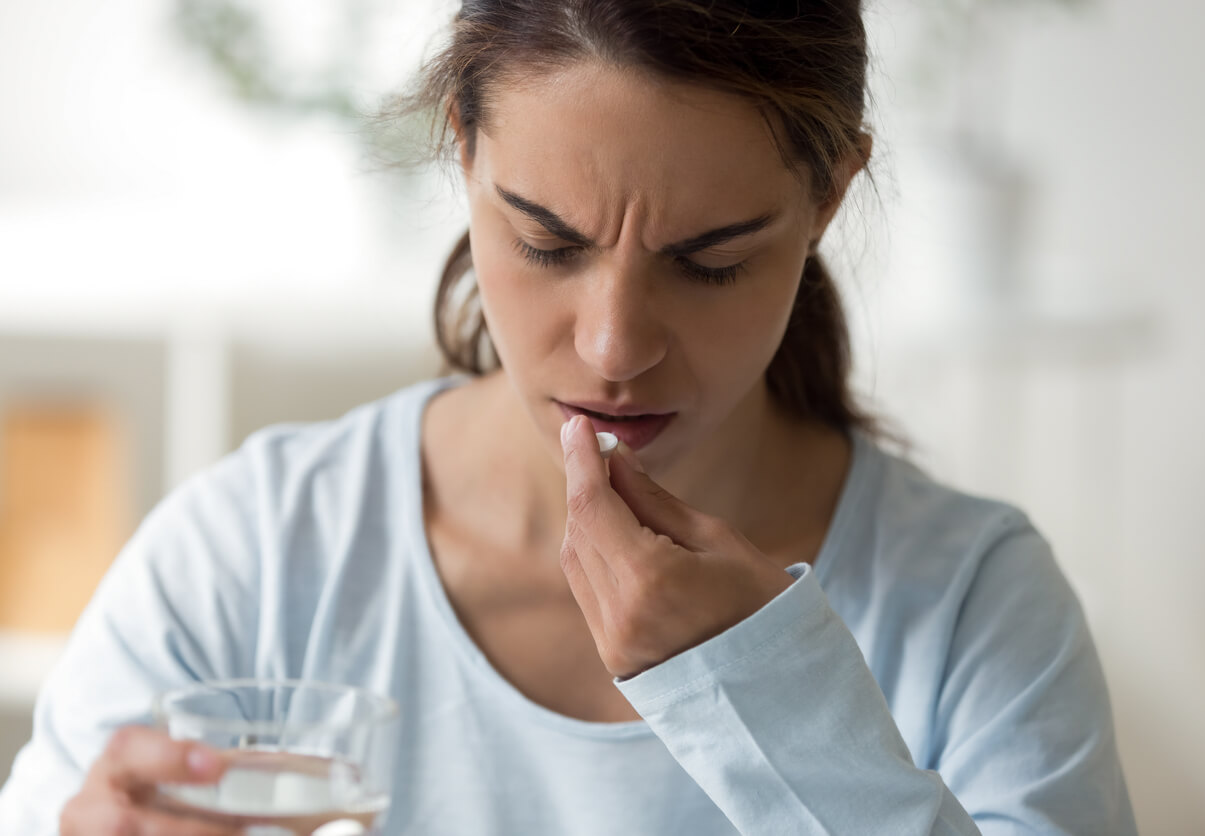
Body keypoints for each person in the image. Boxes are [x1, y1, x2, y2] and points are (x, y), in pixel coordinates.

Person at [0, 1, 1138, 833]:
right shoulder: (251, 556)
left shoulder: (973, 604)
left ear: (828, 196)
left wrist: (765, 691)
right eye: (548, 243)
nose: (614, 347)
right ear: (463, 148)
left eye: (710, 261)